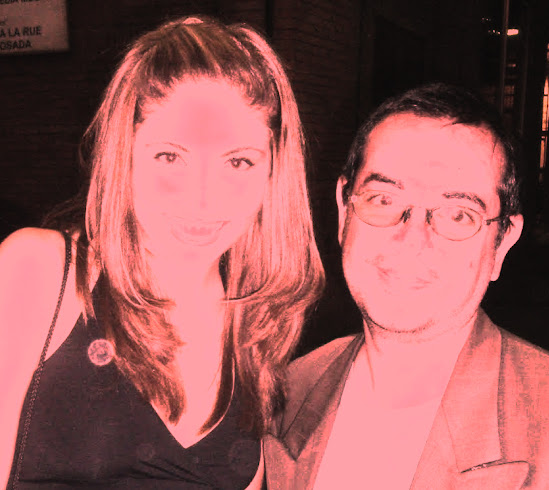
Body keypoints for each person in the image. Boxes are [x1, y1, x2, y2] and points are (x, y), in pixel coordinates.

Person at [0, 16, 324, 489]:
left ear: (272, 174)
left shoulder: (254, 332)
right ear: (125, 155)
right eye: (170, 157)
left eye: (238, 161)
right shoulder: (38, 273)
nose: (203, 198)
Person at [264, 83, 549, 489]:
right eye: (384, 199)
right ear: (344, 211)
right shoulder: (286, 394)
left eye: (458, 214)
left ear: (502, 242)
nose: (412, 241)